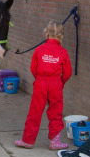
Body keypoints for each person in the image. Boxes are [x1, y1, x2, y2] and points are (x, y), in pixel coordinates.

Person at [15, 21, 72, 150]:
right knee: (56, 112)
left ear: (46, 33)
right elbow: (68, 72)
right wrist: (60, 82)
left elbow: (33, 68)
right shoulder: (62, 52)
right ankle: (55, 141)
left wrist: (40, 79)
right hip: (55, 82)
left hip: (40, 82)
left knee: (35, 111)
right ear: (61, 35)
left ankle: (28, 140)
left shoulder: (39, 49)